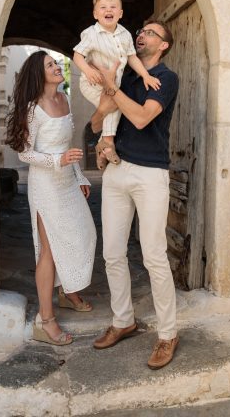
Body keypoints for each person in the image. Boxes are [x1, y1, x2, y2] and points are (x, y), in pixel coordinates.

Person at [90, 20, 179, 370]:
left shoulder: (166, 78)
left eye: (150, 33)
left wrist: (113, 91)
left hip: (150, 173)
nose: (141, 35)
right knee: (112, 252)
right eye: (140, 31)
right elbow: (97, 123)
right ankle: (123, 320)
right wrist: (108, 98)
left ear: (163, 45)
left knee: (154, 255)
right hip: (116, 171)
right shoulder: (125, 75)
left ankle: (168, 333)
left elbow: (142, 118)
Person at [6, 50, 97, 346]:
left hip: (67, 181)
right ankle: (46, 321)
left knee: (85, 235)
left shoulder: (64, 99)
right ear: (38, 73)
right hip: (45, 185)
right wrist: (58, 161)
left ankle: (67, 291)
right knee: (48, 250)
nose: (58, 67)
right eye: (51, 65)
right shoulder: (33, 108)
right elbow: (25, 153)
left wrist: (80, 175)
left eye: (57, 63)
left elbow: (67, 143)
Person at [73, 0, 160, 169]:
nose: (108, 10)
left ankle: (104, 146)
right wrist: (88, 70)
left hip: (113, 84)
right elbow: (77, 56)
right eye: (103, 7)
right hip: (93, 83)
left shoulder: (125, 34)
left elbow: (132, 57)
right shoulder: (91, 33)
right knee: (114, 106)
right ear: (95, 14)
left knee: (115, 106)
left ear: (120, 13)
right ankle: (107, 143)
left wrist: (145, 75)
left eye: (113, 7)